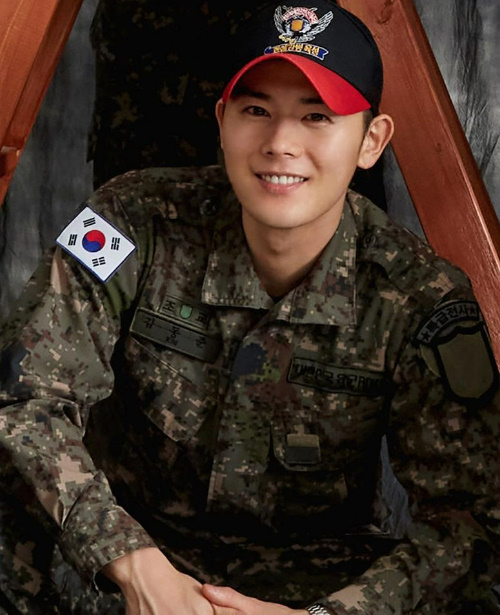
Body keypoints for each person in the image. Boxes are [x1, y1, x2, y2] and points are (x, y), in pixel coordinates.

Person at [0, 1, 499, 614]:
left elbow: (471, 520)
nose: (280, 144)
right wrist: (129, 561)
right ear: (222, 121)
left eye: (316, 117)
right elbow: (24, 398)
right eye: (256, 111)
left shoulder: (419, 294)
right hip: (121, 553)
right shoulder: (130, 221)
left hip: (312, 579)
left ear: (371, 142)